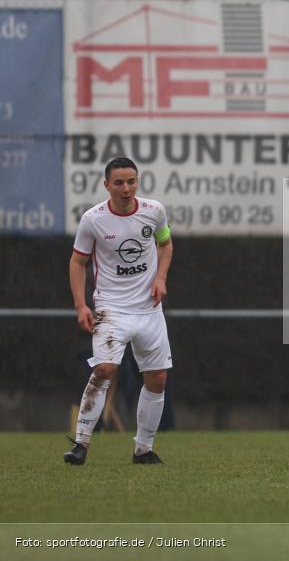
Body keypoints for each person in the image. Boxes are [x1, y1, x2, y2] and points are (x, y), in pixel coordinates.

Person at [64, 157, 173, 466]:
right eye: (119, 183)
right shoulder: (93, 219)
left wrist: (161, 277)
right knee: (105, 370)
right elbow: (77, 262)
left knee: (158, 378)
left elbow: (166, 244)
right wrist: (81, 304)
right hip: (111, 309)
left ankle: (143, 449)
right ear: (107, 185)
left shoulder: (154, 211)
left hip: (149, 311)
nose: (126, 189)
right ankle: (81, 444)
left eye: (131, 181)